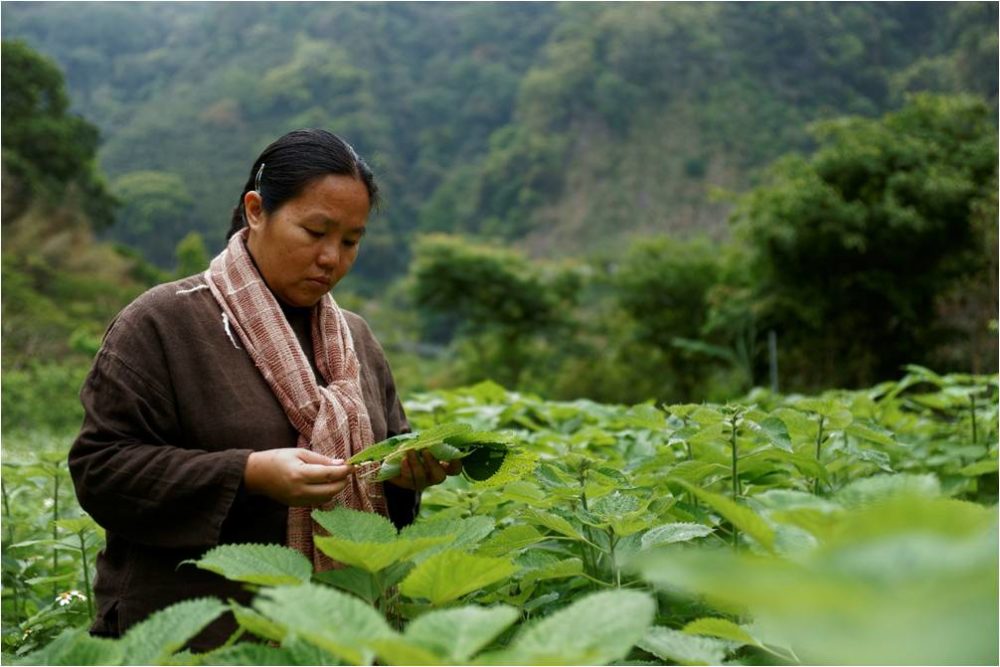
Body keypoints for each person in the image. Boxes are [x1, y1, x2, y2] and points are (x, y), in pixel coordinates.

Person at [68, 129, 460, 650]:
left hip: (330, 642)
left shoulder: (357, 342)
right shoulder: (164, 323)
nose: (331, 258)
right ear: (256, 211)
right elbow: (102, 470)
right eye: (314, 231)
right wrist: (248, 474)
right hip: (193, 637)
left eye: (350, 241)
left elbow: (384, 473)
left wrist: (408, 477)